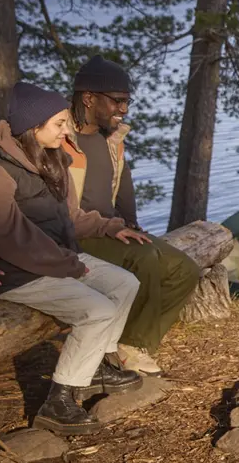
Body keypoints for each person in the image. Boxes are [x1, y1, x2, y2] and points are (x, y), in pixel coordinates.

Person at [0, 82, 147, 435]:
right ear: (33, 126)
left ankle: (96, 367)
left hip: (57, 258)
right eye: (59, 124)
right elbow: (12, 237)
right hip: (17, 272)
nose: (66, 131)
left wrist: (109, 227)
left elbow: (69, 218)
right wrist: (68, 265)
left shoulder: (54, 159)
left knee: (125, 283)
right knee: (97, 310)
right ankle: (58, 403)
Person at [65, 56, 200, 377]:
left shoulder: (111, 137)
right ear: (89, 98)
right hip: (77, 233)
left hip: (112, 228)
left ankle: (133, 339)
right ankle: (125, 347)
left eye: (127, 101)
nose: (123, 109)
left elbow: (122, 181)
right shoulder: (60, 138)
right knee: (145, 258)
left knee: (185, 269)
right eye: (117, 101)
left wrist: (130, 220)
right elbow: (62, 213)